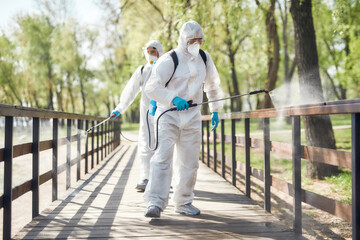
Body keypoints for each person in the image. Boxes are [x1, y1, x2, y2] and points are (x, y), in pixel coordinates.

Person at [143, 20, 223, 218]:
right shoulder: (169, 59)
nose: (196, 43)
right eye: (192, 40)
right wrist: (173, 98)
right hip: (168, 116)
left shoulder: (204, 58)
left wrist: (215, 109)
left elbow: (212, 85)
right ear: (184, 40)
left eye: (199, 40)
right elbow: (152, 88)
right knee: (162, 159)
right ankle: (155, 202)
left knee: (189, 162)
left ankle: (184, 202)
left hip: (192, 116)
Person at [111, 40, 164, 192]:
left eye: (153, 51)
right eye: (148, 52)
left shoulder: (168, 68)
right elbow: (131, 90)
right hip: (147, 113)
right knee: (146, 144)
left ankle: (162, 179)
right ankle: (145, 178)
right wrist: (119, 108)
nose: (150, 54)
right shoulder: (143, 70)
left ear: (159, 51)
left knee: (164, 146)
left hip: (165, 112)